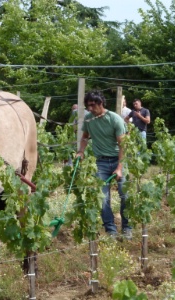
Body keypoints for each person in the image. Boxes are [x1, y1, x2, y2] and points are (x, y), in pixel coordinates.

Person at [76, 90, 131, 240]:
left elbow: (123, 146)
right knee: (102, 197)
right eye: (88, 106)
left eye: (93, 105)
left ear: (101, 103)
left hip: (118, 159)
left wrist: (119, 168)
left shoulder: (114, 119)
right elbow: (85, 137)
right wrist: (81, 151)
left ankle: (127, 228)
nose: (90, 109)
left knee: (125, 195)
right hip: (101, 162)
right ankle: (111, 231)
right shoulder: (89, 119)